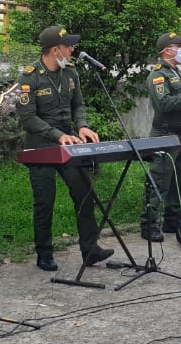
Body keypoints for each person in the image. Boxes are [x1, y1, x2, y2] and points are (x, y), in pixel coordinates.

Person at [15, 25, 113, 272]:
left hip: (68, 143)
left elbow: (78, 105)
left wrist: (82, 127)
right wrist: (58, 135)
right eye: (69, 46)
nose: (72, 50)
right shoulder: (29, 77)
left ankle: (90, 250)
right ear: (55, 50)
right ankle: (44, 253)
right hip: (40, 146)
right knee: (44, 200)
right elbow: (27, 118)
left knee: (85, 193)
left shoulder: (70, 73)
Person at [139, 32, 181, 242]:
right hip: (165, 134)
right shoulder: (158, 75)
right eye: (178, 46)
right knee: (160, 180)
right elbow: (164, 104)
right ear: (167, 50)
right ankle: (148, 225)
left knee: (179, 180)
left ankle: (171, 220)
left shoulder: (177, 72)